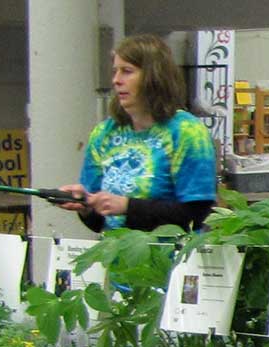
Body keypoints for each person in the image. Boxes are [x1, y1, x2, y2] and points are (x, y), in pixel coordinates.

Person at [53, 35, 218, 233]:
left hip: (172, 258)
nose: (116, 80)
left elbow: (197, 212)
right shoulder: (103, 133)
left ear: (154, 77)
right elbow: (97, 224)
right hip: (114, 257)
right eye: (115, 72)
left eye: (127, 71)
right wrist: (86, 207)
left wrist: (127, 206)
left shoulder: (187, 132)